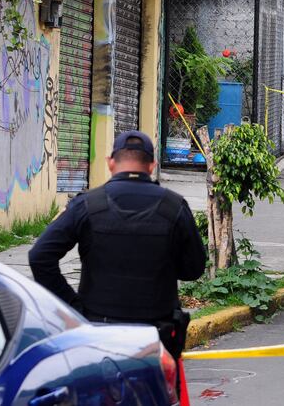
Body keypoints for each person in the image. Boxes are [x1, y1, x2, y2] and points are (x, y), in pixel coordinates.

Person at [29, 131, 206, 359]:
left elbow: (40, 256)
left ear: (111, 163)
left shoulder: (87, 205)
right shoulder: (174, 207)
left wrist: (74, 307)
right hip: (156, 338)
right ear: (152, 165)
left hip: (98, 337)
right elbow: (194, 269)